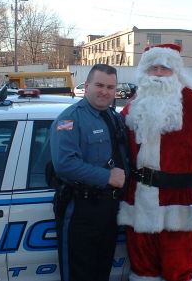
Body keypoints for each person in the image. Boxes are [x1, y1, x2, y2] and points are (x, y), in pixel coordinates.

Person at [118, 44, 192, 281]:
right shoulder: (133, 106)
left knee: (178, 271)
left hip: (180, 204)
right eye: (153, 68)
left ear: (177, 72)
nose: (159, 73)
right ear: (145, 72)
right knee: (142, 270)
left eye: (165, 68)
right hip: (138, 202)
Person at [50, 64, 129, 281]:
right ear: (86, 86)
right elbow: (64, 164)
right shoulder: (69, 119)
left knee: (101, 271)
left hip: (109, 210)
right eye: (99, 85)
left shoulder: (115, 118)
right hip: (81, 210)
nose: (105, 91)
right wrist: (108, 177)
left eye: (110, 87)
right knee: (79, 274)